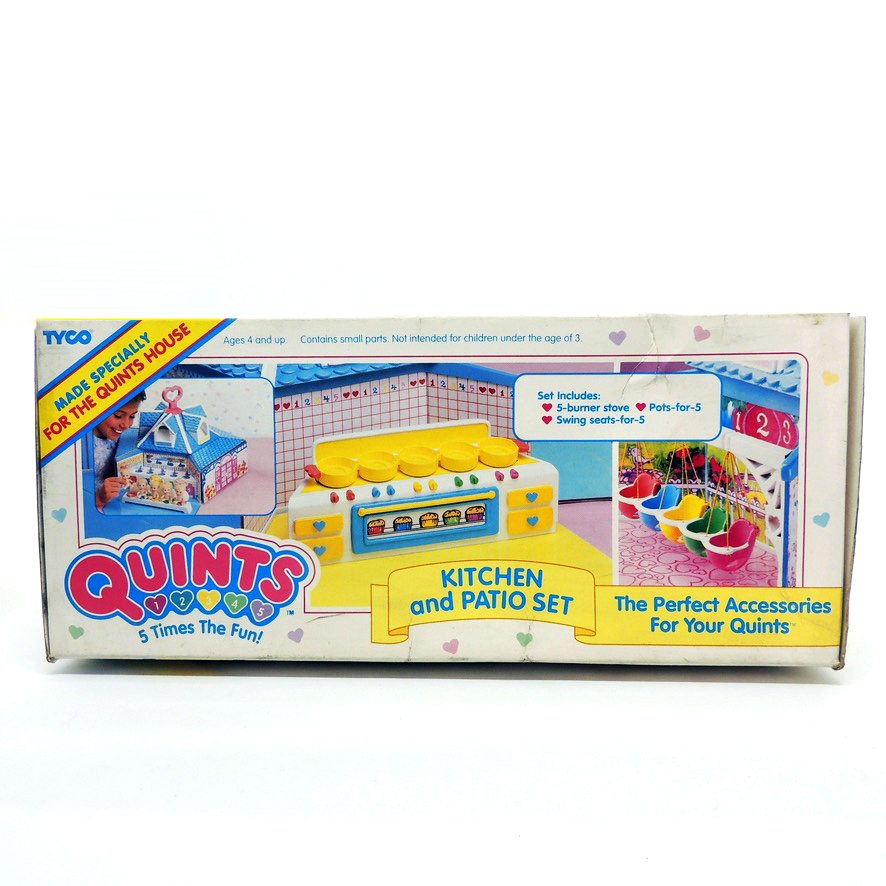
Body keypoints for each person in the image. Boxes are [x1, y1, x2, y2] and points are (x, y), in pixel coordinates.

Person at [93, 393, 146, 511]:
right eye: (118, 415)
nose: (126, 425)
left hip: (120, 503)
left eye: (132, 416)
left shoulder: (126, 437)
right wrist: (98, 498)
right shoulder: (78, 445)